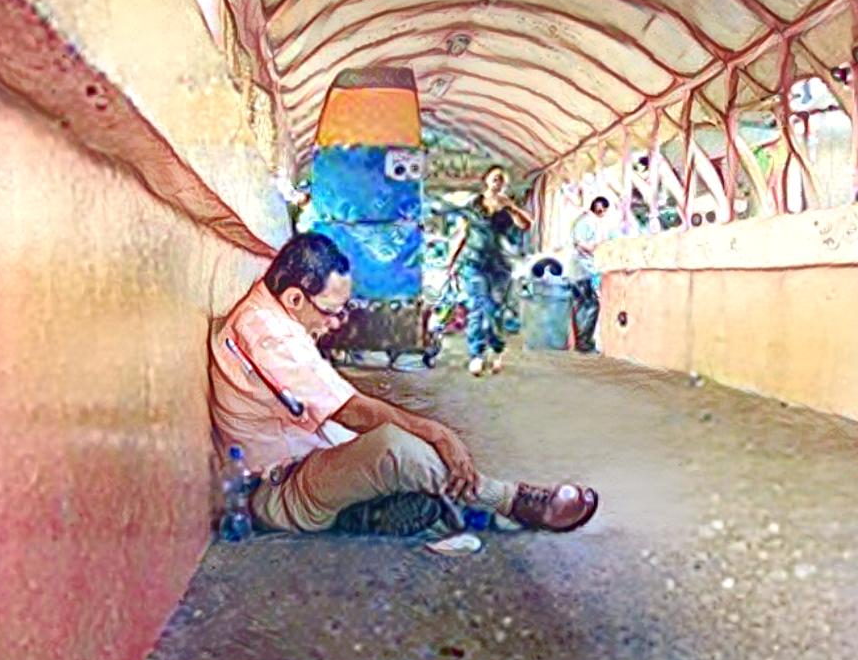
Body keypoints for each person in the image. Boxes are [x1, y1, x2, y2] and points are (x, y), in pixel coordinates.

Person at [209, 233, 599, 541]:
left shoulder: (275, 311)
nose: (337, 323)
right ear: (294, 298)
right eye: (330, 311)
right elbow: (354, 411)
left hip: (311, 466)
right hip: (279, 490)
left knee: (403, 447)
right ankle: (513, 501)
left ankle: (374, 512)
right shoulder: (268, 335)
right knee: (395, 447)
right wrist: (437, 432)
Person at [445, 166, 532, 376]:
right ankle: (476, 354)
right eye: (494, 178)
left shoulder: (506, 208)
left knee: (494, 310)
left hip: (498, 265)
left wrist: (511, 207)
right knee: (477, 307)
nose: (497, 183)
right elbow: (461, 234)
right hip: (473, 262)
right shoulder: (473, 206)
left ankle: (497, 349)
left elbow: (526, 225)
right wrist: (450, 263)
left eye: (501, 180)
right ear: (486, 180)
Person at [569, 196, 617, 352]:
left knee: (581, 306)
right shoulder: (586, 222)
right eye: (603, 210)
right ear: (599, 208)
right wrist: (599, 247)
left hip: (581, 270)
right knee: (591, 305)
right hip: (582, 270)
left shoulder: (587, 221)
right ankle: (584, 342)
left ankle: (582, 342)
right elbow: (582, 244)